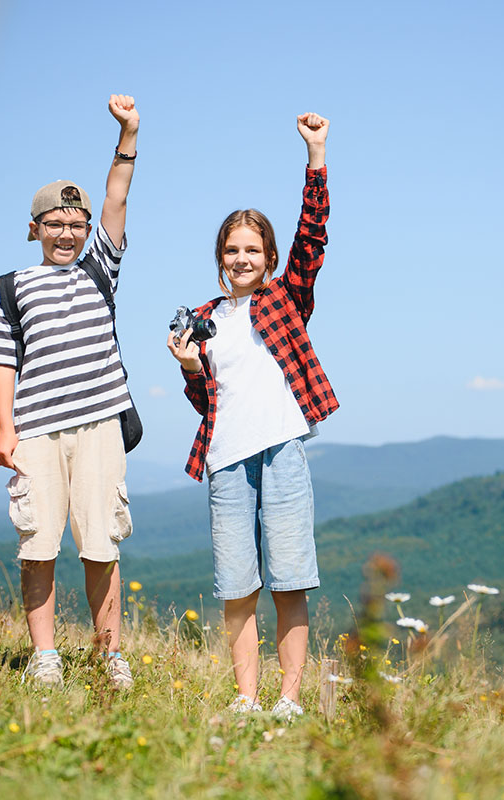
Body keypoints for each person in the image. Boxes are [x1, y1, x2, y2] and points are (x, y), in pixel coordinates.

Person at [167, 112, 335, 719]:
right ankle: (246, 697)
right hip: (225, 459)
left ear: (269, 258)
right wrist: (190, 366)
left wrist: (315, 155)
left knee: (290, 581)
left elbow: (312, 239)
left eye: (252, 250)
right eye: (232, 250)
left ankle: (288, 699)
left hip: (282, 448)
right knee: (237, 587)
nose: (242, 258)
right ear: (221, 258)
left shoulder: (286, 298)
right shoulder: (203, 319)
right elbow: (205, 401)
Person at [0, 94, 139, 688]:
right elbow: (2, 360)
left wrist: (128, 135)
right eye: (55, 224)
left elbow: (116, 197)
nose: (67, 233)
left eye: (77, 225)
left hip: (100, 424)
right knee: (38, 544)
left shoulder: (101, 270)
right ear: (35, 229)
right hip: (36, 430)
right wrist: (5, 429)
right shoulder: (13, 285)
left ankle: (109, 656)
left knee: (102, 544)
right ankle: (45, 656)